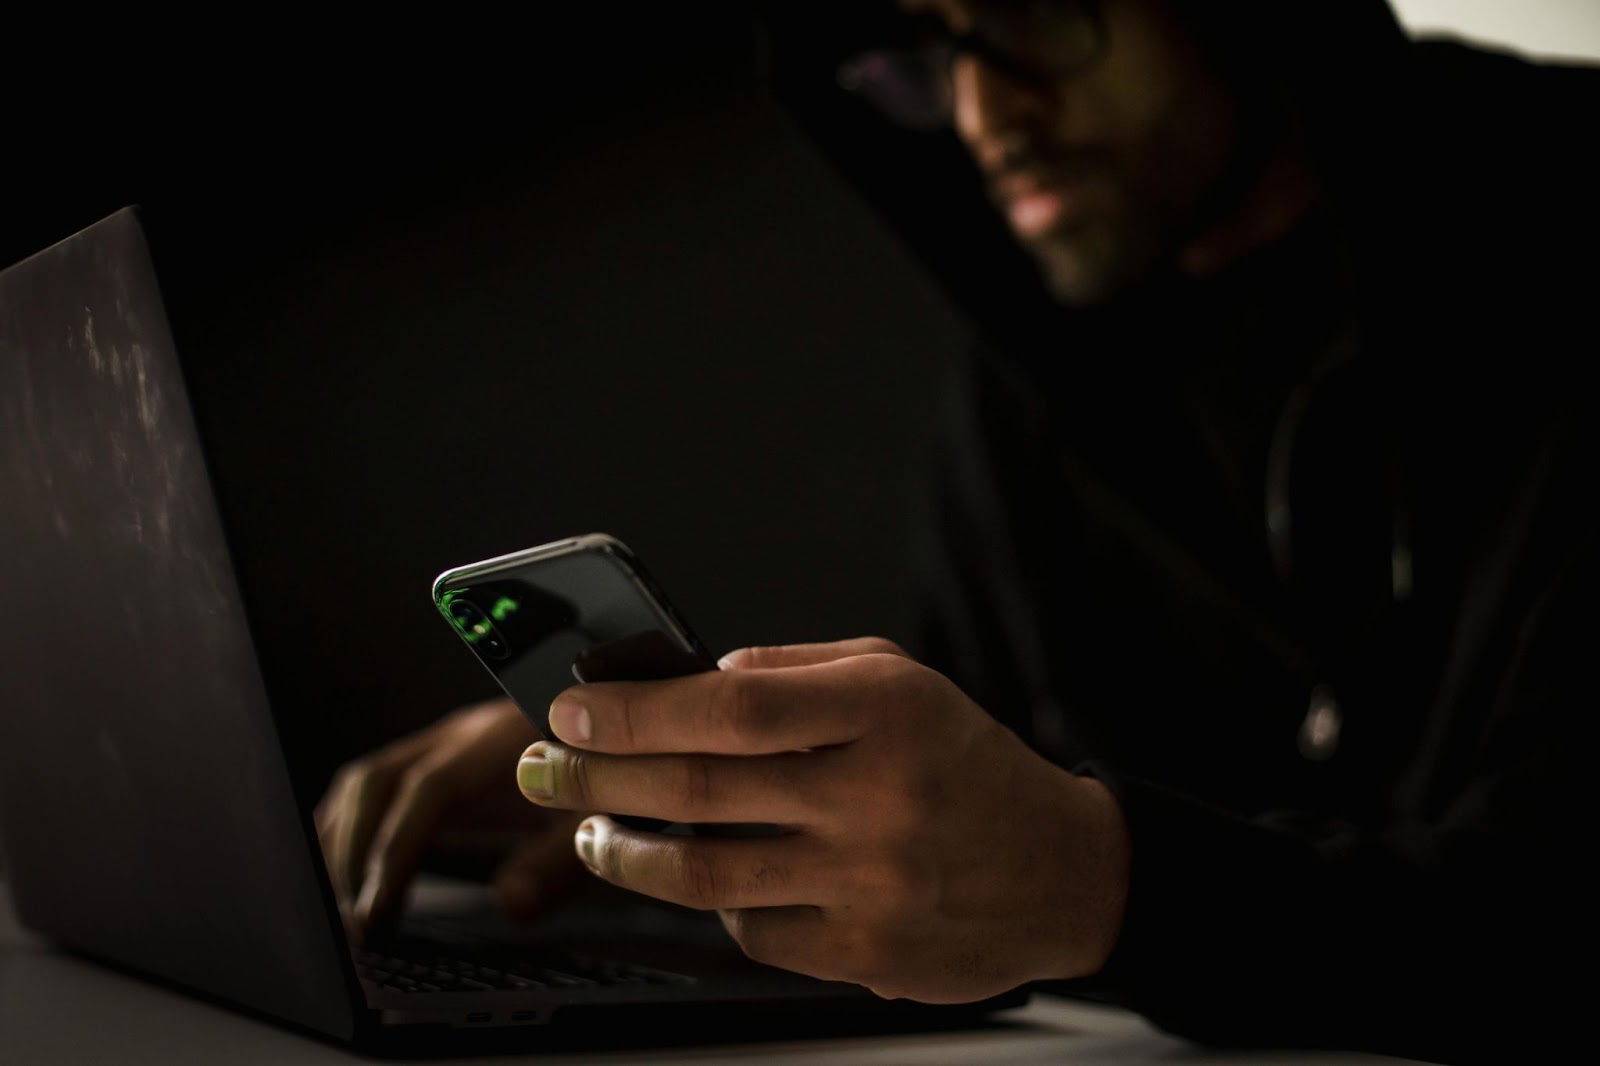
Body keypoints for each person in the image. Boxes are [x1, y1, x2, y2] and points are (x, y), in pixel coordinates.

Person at [315, 1, 1597, 1062]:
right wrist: (702, 815)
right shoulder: (1036, 372)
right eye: (927, 52)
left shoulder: (1553, 225)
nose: (987, 118)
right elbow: (975, 783)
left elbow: (1547, 922)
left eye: (1037, 16)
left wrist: (1109, 887)